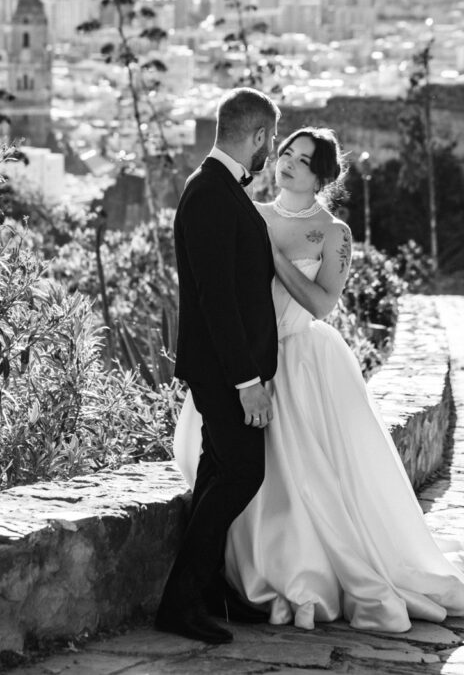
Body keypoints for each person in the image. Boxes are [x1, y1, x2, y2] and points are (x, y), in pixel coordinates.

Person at [174, 127, 464, 633]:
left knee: (308, 477)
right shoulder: (250, 212)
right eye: (285, 153)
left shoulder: (333, 233)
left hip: (303, 359)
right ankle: (237, 580)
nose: (287, 164)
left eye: (303, 161)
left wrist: (277, 260)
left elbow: (324, 304)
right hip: (246, 364)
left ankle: (306, 573)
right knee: (240, 473)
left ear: (323, 176)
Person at [155, 88, 282, 644]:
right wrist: (247, 381)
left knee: (215, 471)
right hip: (224, 371)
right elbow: (217, 300)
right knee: (242, 472)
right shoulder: (209, 191)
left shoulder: (218, 188)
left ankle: (207, 590)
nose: (270, 151)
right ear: (256, 136)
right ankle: (179, 603)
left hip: (228, 367)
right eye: (270, 140)